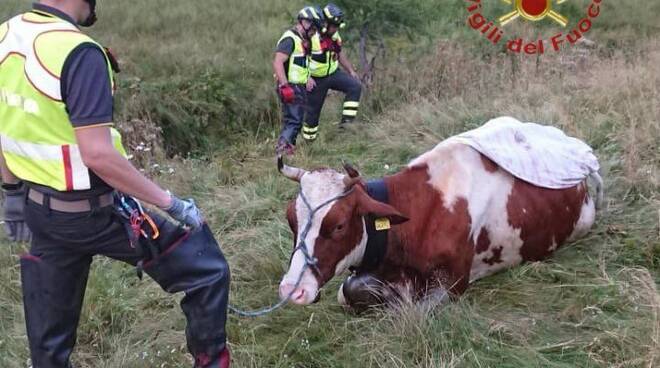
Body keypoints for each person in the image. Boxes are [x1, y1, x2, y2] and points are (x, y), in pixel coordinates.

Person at [0, 1, 230, 367]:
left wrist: (11, 195)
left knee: (48, 346)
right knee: (207, 272)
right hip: (98, 213)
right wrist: (170, 203)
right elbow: (98, 156)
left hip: (39, 214)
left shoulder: (7, 35)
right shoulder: (79, 52)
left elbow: (4, 126)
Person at [302, 3, 362, 142]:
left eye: (337, 26)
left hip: (334, 74)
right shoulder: (311, 36)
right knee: (312, 115)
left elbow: (339, 54)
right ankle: (308, 144)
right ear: (325, 23)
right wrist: (306, 77)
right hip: (316, 79)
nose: (335, 29)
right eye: (333, 26)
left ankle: (346, 128)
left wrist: (351, 71)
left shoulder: (335, 35)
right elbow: (300, 58)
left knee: (355, 86)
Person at [273, 6, 323, 156]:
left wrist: (307, 78)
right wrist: (285, 85)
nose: (315, 31)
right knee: (294, 121)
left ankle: (288, 150)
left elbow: (299, 63)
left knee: (296, 120)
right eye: (314, 27)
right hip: (290, 86)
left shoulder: (302, 40)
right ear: (305, 23)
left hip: (298, 86)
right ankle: (282, 151)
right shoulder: (290, 38)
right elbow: (277, 62)